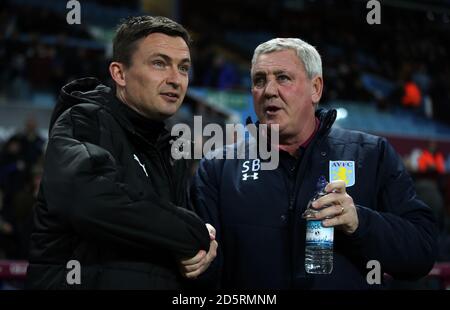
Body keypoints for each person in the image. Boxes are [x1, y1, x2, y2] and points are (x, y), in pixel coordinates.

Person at [191, 38, 437, 289]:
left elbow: (422, 252)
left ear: (315, 88)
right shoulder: (218, 167)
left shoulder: (372, 155)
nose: (269, 90)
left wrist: (360, 223)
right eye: (259, 80)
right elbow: (203, 278)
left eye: (283, 78)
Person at [26, 16, 217, 289]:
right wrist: (195, 233)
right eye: (159, 63)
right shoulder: (83, 121)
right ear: (119, 73)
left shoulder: (172, 151)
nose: (176, 79)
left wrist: (202, 252)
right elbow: (92, 202)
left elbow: (176, 244)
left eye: (184, 68)